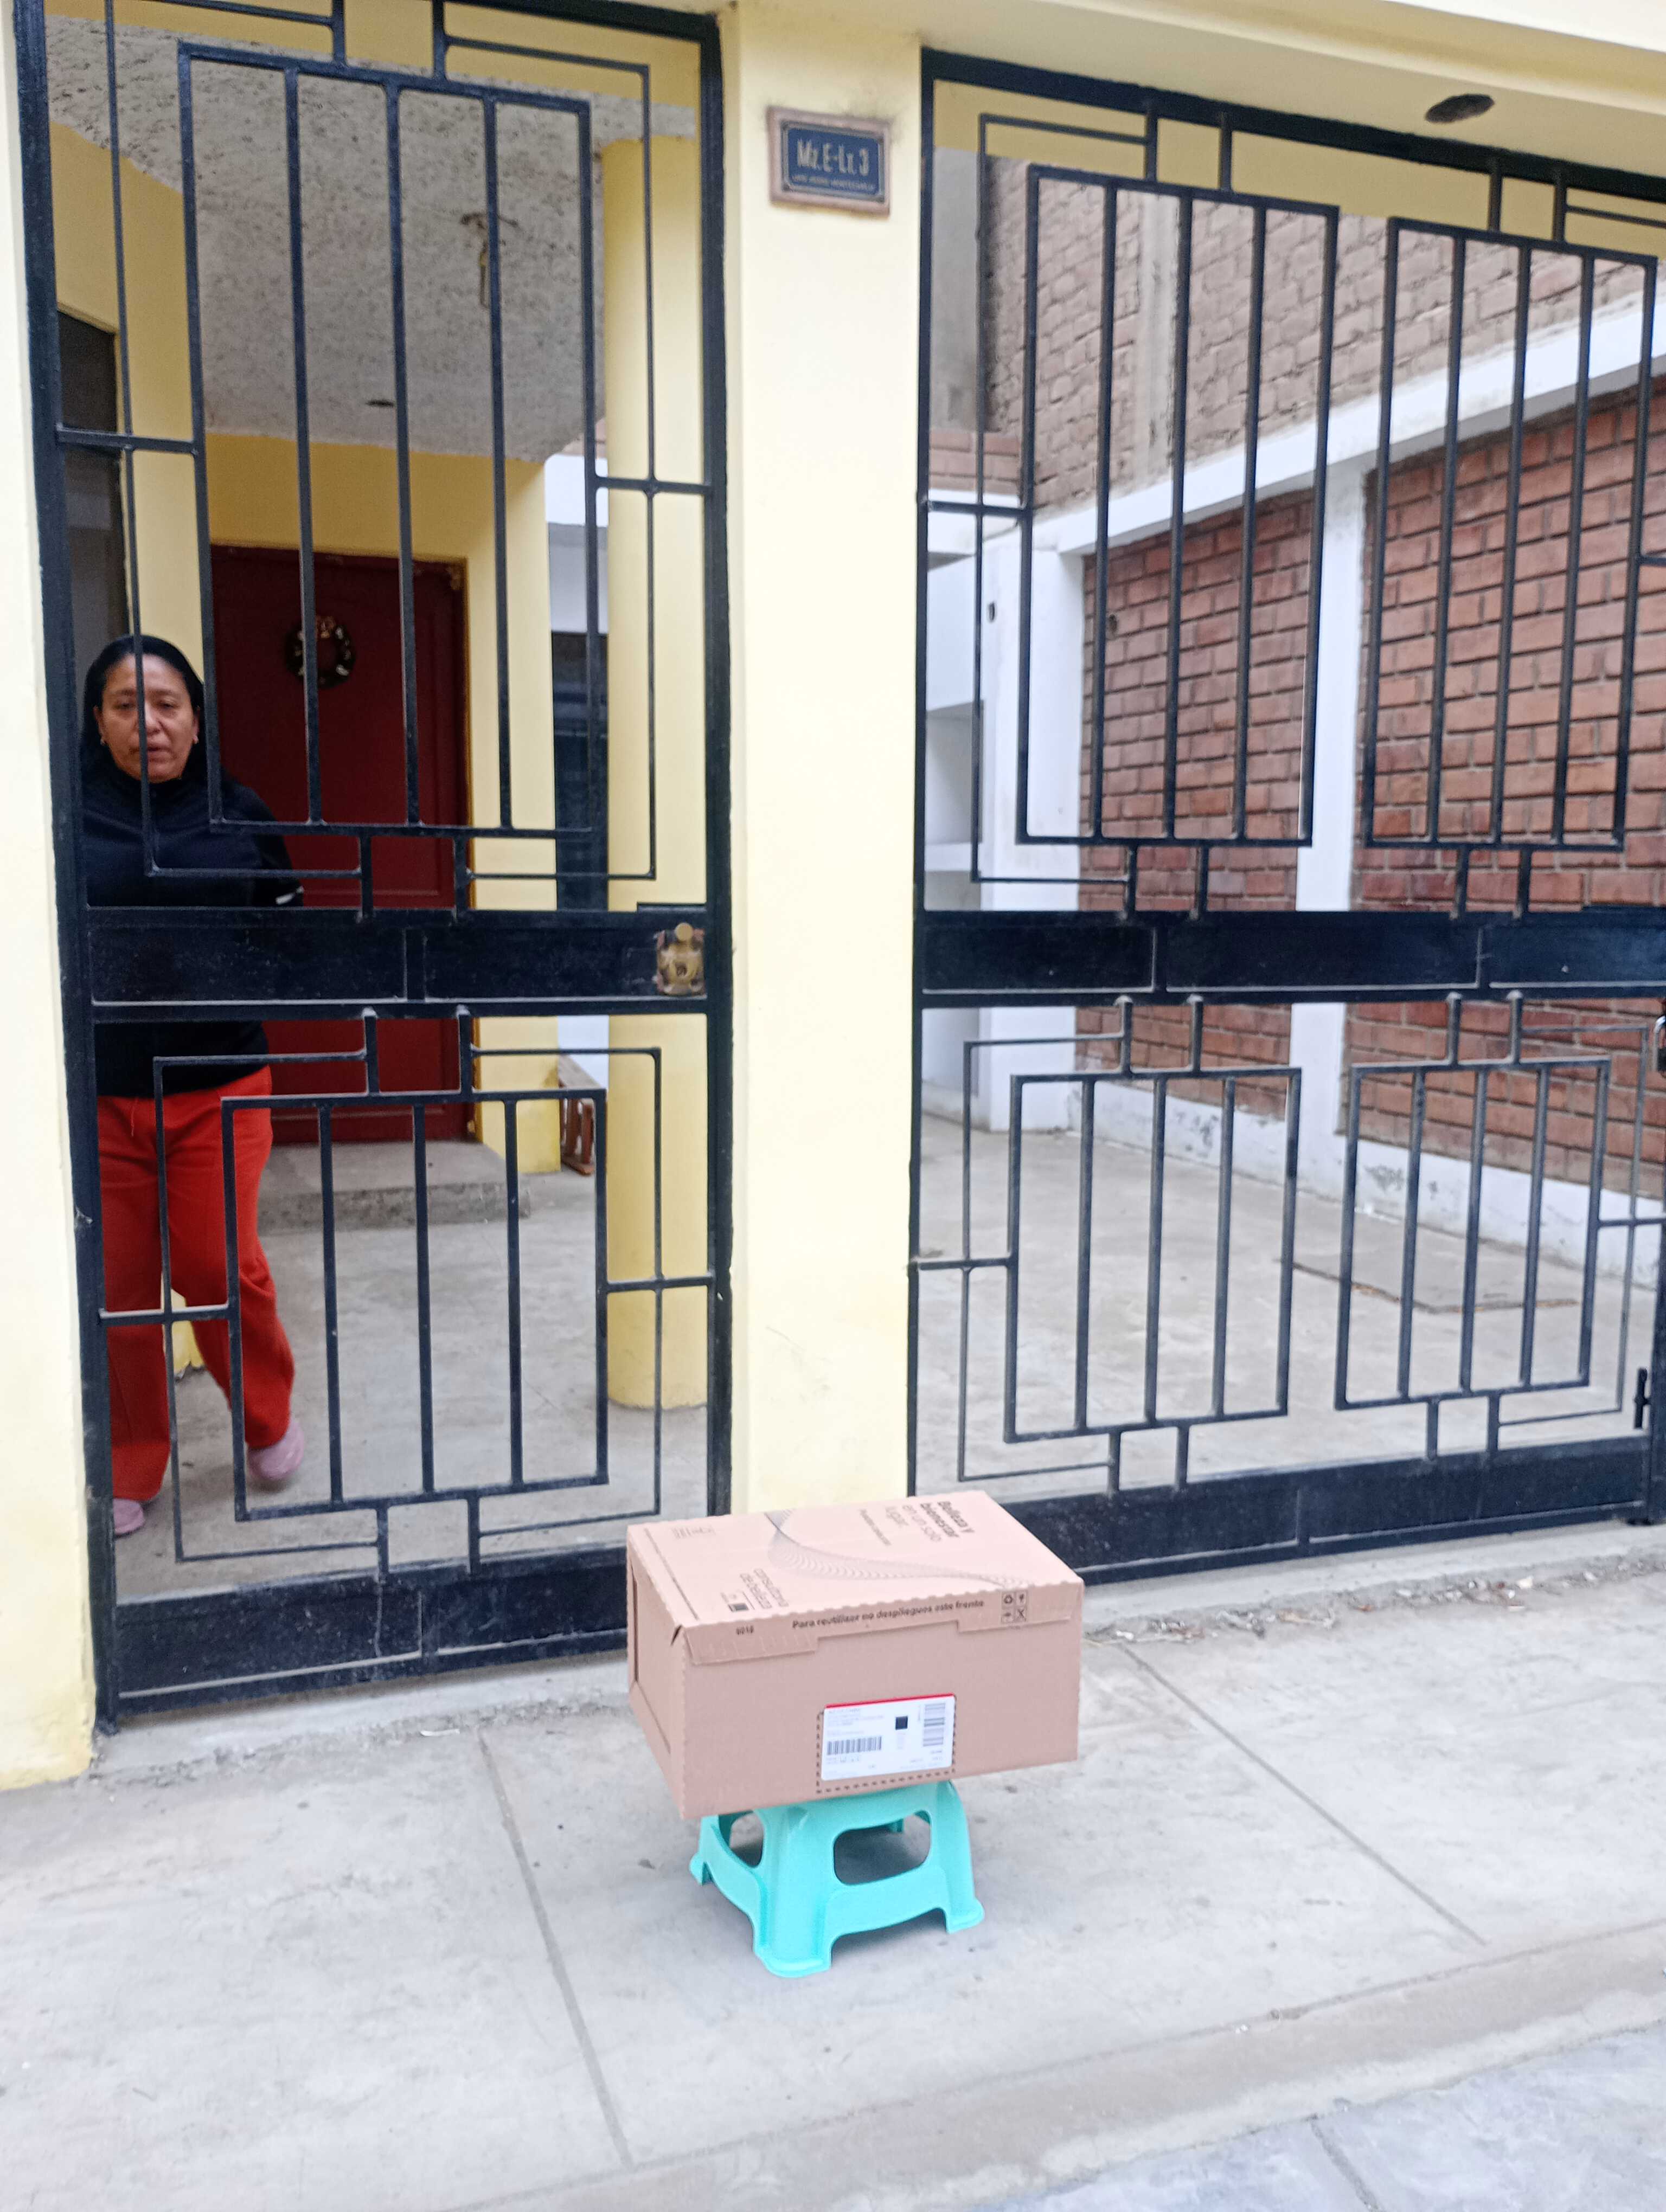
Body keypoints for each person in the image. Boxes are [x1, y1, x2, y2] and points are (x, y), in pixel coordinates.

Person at [81, 634, 305, 1538]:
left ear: (197, 720)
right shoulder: (65, 819)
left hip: (220, 1085)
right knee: (122, 1284)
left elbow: (290, 938)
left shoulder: (240, 814)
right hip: (102, 1093)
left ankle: (267, 1416)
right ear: (98, 722)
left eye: (168, 704)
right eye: (126, 705)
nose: (150, 723)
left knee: (218, 1266)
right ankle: (133, 1455)